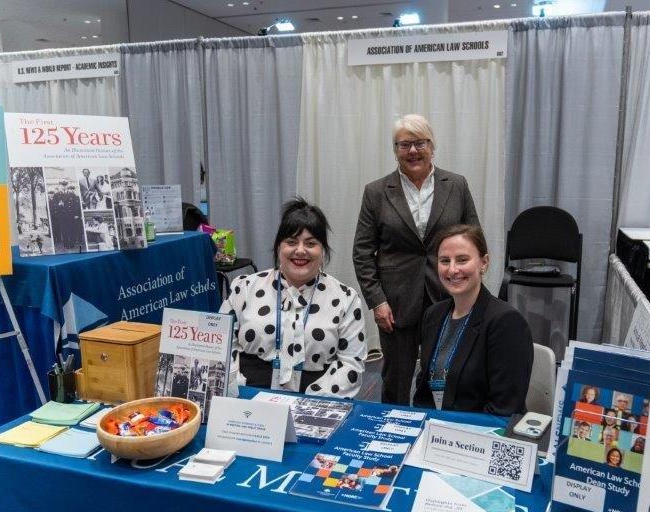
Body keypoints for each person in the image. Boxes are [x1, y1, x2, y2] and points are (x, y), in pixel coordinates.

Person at [353, 114, 480, 405]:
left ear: (432, 146)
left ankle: (439, 432)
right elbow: (362, 251)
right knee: (396, 380)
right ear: (395, 150)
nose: (413, 151)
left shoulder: (456, 185)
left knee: (445, 374)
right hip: (396, 303)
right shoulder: (376, 192)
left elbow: (474, 239)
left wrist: (470, 291)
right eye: (404, 144)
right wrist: (377, 301)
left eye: (420, 143)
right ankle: (393, 433)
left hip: (448, 294)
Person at [220, 197, 367, 397]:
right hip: (247, 395)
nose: (300, 250)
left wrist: (310, 404)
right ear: (279, 247)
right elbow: (222, 344)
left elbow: (351, 364)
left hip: (316, 401)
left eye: (311, 243)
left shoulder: (346, 299)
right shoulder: (245, 287)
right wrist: (239, 391)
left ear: (322, 250)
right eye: (291, 242)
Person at [412, 225, 533, 415]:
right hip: (434, 429)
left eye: (462, 260)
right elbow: (423, 387)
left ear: (483, 263)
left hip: (479, 436)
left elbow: (504, 409)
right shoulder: (433, 315)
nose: (452, 270)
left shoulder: (506, 323)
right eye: (445, 261)